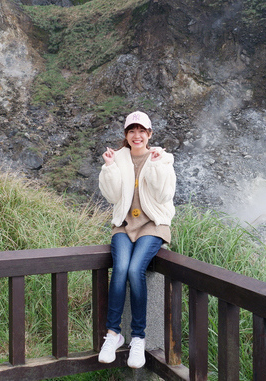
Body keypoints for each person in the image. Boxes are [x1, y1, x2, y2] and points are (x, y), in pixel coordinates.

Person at [97, 111, 176, 368]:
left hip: (152, 225)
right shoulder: (117, 159)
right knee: (119, 269)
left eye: (142, 131)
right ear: (126, 135)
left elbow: (164, 195)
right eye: (132, 130)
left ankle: (138, 337)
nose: (137, 135)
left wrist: (154, 165)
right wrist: (109, 168)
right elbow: (111, 196)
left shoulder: (162, 158)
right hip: (124, 225)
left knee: (134, 269)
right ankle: (113, 334)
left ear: (150, 134)